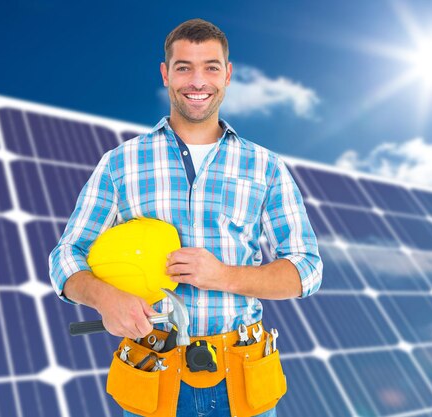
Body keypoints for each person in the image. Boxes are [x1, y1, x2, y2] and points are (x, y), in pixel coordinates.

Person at [48, 18, 322, 417]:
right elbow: (66, 255)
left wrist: (223, 275)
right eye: (184, 68)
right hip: (153, 369)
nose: (198, 81)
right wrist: (105, 298)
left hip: (242, 374)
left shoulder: (266, 166)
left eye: (211, 67)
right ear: (165, 74)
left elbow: (307, 269)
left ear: (227, 75)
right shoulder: (120, 163)